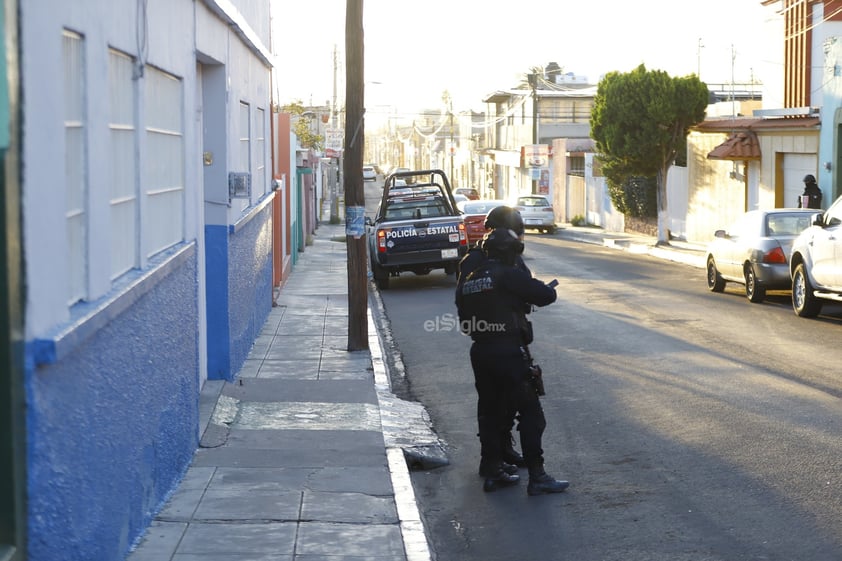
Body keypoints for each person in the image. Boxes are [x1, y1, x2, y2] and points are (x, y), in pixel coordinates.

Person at [456, 227, 569, 495]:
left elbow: (464, 320)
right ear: (510, 253)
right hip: (508, 351)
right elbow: (545, 295)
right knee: (531, 415)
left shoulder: (471, 278)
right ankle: (537, 476)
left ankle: (493, 470)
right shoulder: (507, 274)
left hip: (481, 352)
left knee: (491, 412)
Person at [456, 206, 529, 472]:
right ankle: (494, 459)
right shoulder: (481, 258)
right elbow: (463, 297)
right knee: (500, 403)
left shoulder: (501, 254)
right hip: (499, 339)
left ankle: (501, 452)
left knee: (501, 404)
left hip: (502, 336)